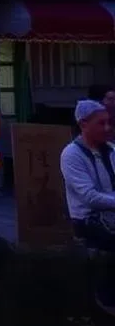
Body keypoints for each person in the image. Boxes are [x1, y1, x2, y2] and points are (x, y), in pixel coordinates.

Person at [61, 98, 115, 312]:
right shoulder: (71, 154)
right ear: (83, 124)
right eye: (101, 124)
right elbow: (89, 197)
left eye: (108, 122)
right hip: (87, 219)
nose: (107, 128)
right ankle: (106, 298)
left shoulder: (110, 150)